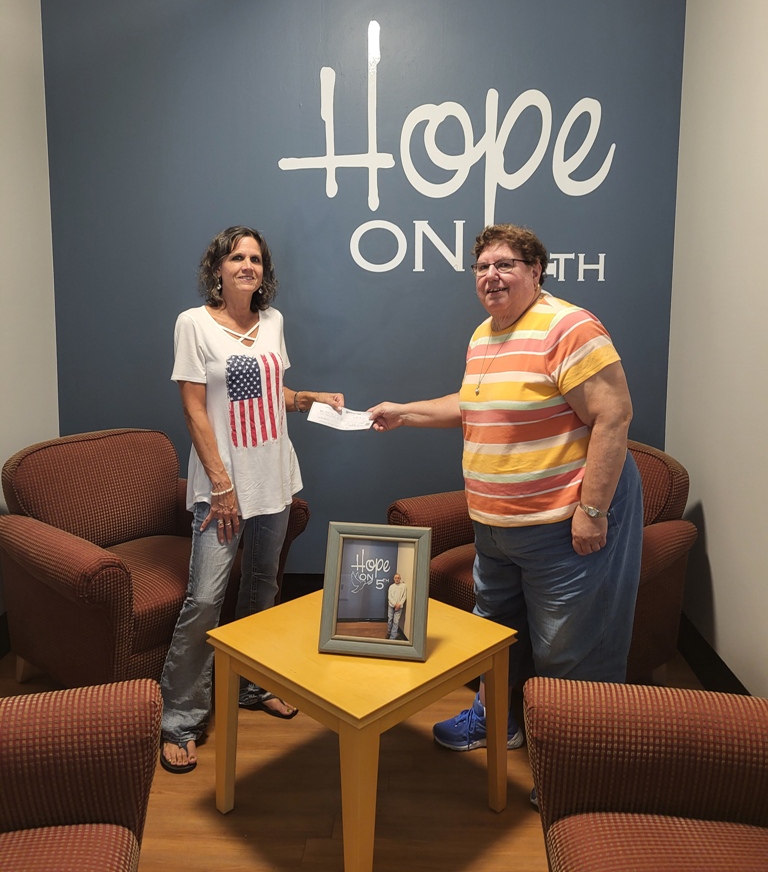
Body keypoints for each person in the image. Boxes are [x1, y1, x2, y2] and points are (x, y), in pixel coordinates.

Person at [369, 224, 643, 770]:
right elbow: (473, 403)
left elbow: (614, 416)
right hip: (495, 527)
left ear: (535, 271)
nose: (491, 275)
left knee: (568, 651)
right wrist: (406, 412)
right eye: (482, 267)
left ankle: (572, 768)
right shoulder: (484, 334)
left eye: (505, 264)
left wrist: (592, 512)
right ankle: (498, 722)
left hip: (560, 524)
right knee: (494, 634)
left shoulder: (568, 326)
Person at [160, 225, 344, 773]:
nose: (247, 266)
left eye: (256, 259)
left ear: (265, 271)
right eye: (237, 257)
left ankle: (251, 685)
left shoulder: (273, 322)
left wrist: (307, 398)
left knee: (263, 586)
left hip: (274, 479)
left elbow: (266, 394)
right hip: (224, 488)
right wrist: (221, 484)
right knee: (205, 599)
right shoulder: (193, 324)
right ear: (217, 268)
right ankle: (180, 718)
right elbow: (195, 408)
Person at [386, 573, 407, 639]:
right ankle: (389, 632)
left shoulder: (403, 586)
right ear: (394, 579)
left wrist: (399, 604)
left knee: (396, 622)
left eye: (398, 578)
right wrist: (395, 604)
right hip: (391, 606)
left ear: (400, 579)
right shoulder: (391, 587)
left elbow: (404, 597)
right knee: (390, 619)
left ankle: (392, 638)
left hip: (399, 607)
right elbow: (389, 597)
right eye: (396, 578)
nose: (397, 579)